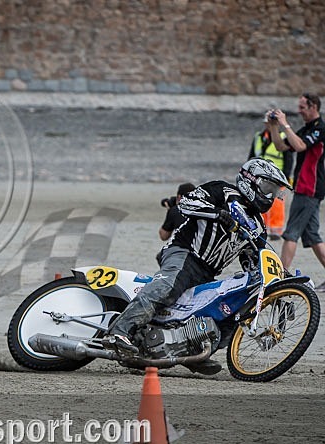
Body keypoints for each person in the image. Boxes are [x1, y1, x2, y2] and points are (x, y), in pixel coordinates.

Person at [103, 158, 292, 375]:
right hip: (184, 253)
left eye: (275, 191)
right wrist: (219, 215)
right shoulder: (221, 191)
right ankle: (118, 332)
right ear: (252, 180)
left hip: (207, 272)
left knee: (230, 312)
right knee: (166, 288)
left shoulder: (258, 226)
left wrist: (277, 279)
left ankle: (191, 352)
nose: (270, 196)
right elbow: (185, 204)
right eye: (268, 188)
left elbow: (253, 258)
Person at [266, 94, 325, 290]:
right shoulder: (306, 129)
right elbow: (281, 146)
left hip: (310, 188)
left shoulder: (319, 129)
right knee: (313, 237)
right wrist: (273, 126)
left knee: (291, 233)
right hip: (303, 187)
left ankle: (280, 277)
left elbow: (300, 145)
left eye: (302, 107)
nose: (299, 111)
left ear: (313, 106)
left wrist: (285, 125)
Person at [249, 116, 295, 240]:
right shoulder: (258, 137)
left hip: (277, 177)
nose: (268, 125)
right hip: (261, 177)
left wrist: (284, 178)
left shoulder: (283, 139)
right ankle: (261, 228)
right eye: (267, 123)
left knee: (277, 205)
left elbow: (288, 160)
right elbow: (252, 157)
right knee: (259, 201)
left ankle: (275, 231)